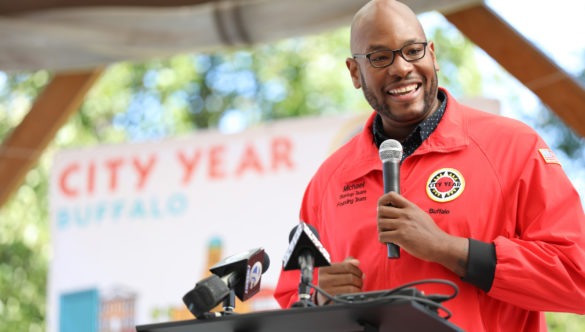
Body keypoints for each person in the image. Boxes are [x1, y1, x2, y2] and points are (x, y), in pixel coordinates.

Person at [273, 0, 585, 331]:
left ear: (432, 55)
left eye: (413, 50)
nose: (401, 68)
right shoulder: (330, 180)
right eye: (380, 57)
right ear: (354, 72)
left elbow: (577, 277)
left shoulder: (512, 147)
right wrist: (320, 298)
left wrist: (449, 249)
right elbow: (292, 295)